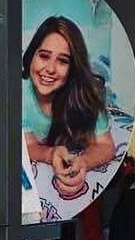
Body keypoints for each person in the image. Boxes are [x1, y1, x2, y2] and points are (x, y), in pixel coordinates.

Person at [22, 15, 115, 200]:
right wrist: (51, 154)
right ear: (31, 56)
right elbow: (29, 145)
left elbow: (105, 145)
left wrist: (84, 161)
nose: (50, 69)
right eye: (44, 56)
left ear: (73, 68)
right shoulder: (18, 91)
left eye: (63, 61)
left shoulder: (85, 96)